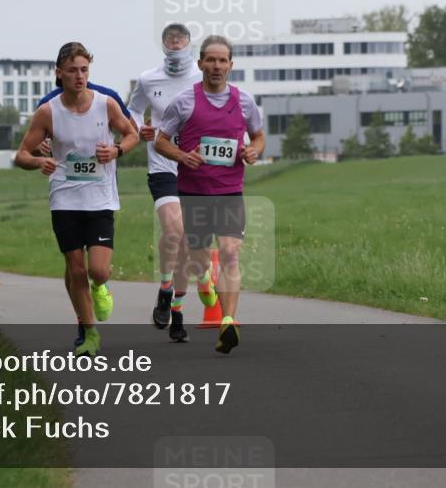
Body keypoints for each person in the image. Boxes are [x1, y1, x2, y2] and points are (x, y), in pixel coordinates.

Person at [16, 42, 138, 357]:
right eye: (72, 70)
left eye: (84, 70)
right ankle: (89, 334)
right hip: (64, 198)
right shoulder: (48, 111)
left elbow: (132, 134)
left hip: (100, 198)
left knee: (98, 270)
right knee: (76, 268)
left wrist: (117, 150)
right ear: (59, 73)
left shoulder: (106, 103)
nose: (80, 76)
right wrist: (37, 162)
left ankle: (101, 287)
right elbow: (22, 154)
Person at [155, 35, 265, 355]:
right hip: (194, 193)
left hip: (230, 191)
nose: (216, 66)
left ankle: (227, 321)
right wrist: (182, 156)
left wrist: (253, 151)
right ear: (201, 63)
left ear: (231, 65)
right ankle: (194, 289)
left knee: (230, 253)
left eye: (223, 61)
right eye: (211, 60)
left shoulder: (244, 102)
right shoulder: (184, 102)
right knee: (199, 259)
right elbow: (161, 141)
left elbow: (258, 136)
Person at [127, 23, 204, 342]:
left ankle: (178, 311)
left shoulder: (202, 78)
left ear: (189, 44)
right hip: (162, 165)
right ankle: (164, 287)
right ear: (163, 45)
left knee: (188, 244)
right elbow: (131, 110)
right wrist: (139, 128)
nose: (175, 43)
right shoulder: (148, 79)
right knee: (175, 230)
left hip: (195, 167)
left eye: (180, 39)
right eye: (170, 40)